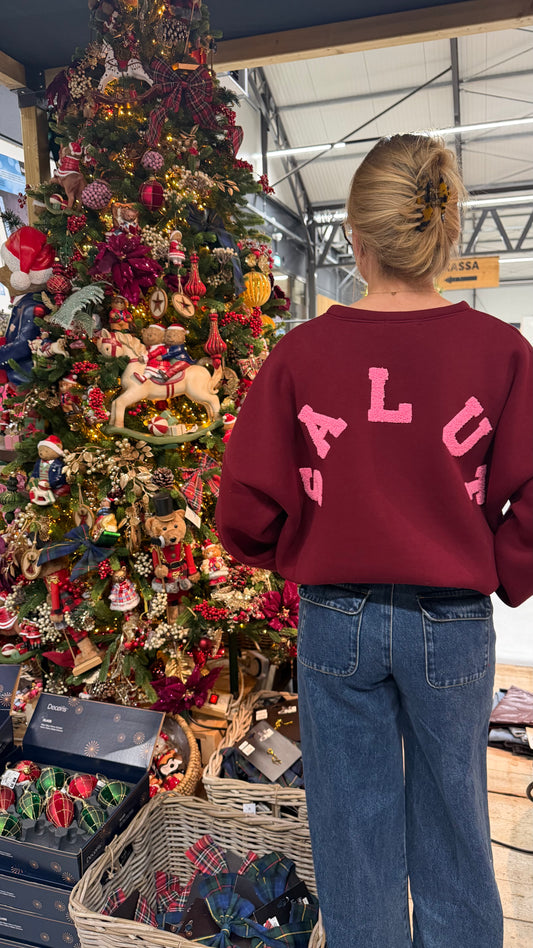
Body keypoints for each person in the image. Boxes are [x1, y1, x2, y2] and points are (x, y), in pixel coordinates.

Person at [215, 133, 533, 948]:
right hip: (450, 618)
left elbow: (244, 502)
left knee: (352, 828)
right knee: (455, 818)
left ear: (354, 239)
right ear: (446, 235)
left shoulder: (300, 354)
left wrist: (291, 549)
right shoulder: (500, 352)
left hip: (338, 615)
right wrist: (501, 564)